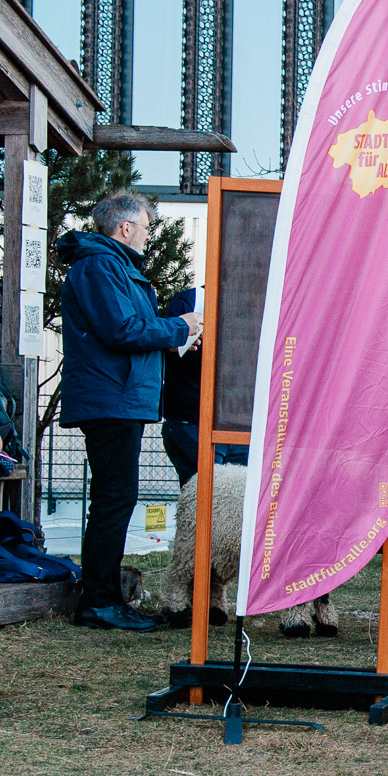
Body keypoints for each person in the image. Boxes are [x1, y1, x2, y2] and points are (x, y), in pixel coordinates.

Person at [56, 191, 203, 632]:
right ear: (125, 228)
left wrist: (173, 337)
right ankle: (99, 603)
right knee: (113, 499)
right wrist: (181, 326)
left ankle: (104, 597)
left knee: (115, 497)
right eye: (145, 227)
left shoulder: (111, 266)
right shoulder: (101, 266)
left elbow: (131, 330)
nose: (147, 235)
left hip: (118, 399)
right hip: (110, 401)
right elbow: (123, 330)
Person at [157, 286, 247, 485]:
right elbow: (166, 352)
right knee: (203, 501)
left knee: (236, 504)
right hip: (194, 422)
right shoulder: (193, 301)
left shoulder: (252, 304)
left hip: (239, 426)